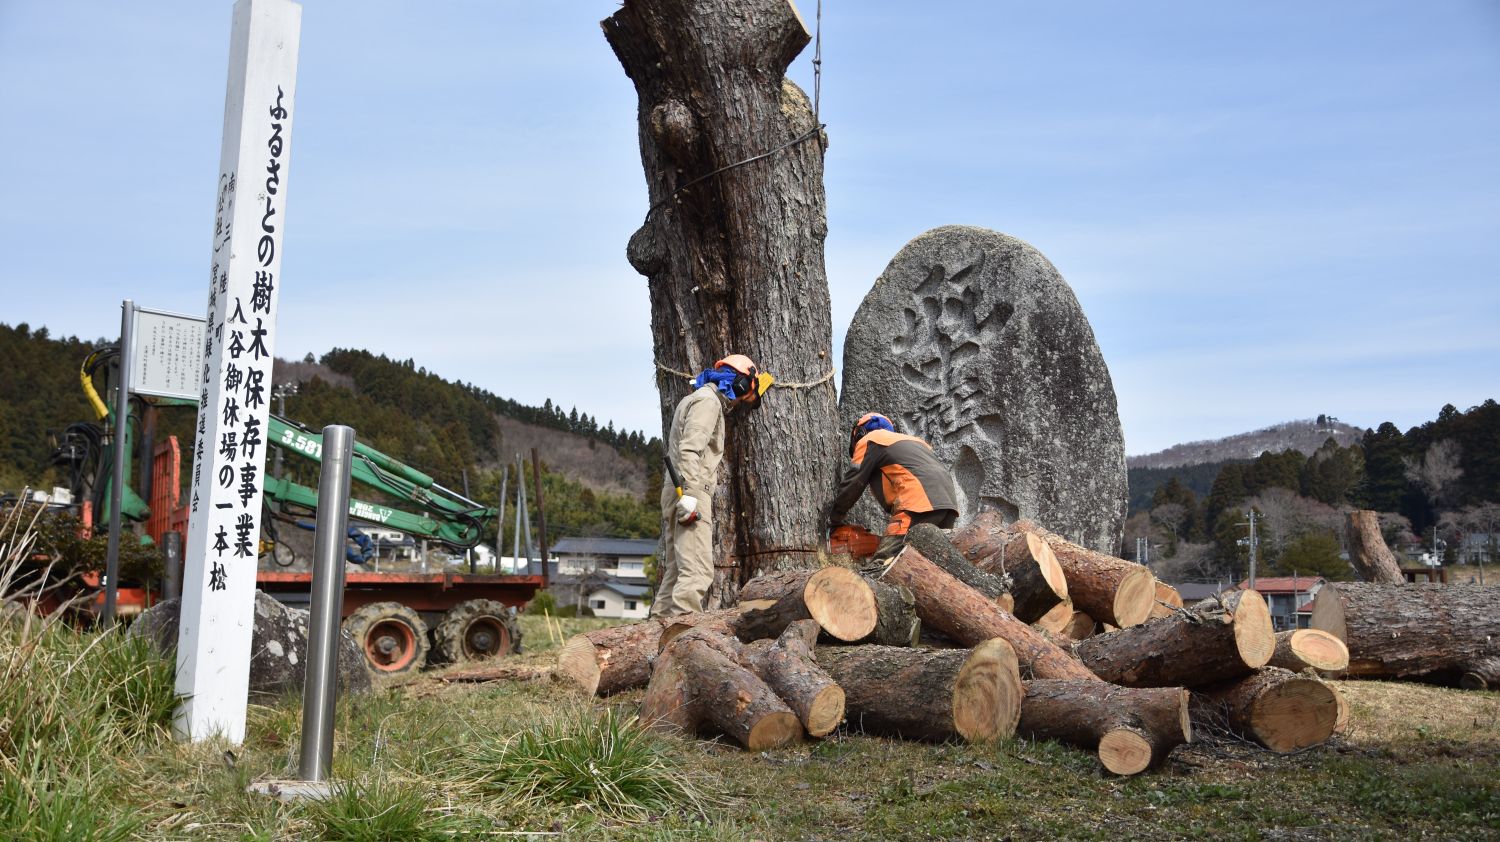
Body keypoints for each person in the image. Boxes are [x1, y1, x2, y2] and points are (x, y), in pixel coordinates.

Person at [650, 354, 774, 617]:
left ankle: (655, 635)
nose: (739, 401)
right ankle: (682, 637)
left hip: (678, 488)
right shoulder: (708, 403)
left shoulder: (695, 399)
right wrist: (690, 494)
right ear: (740, 384)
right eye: (744, 394)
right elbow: (690, 449)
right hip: (690, 490)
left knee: (675, 573)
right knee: (697, 572)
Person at [828, 412, 959, 572]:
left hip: (918, 505)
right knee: (928, 568)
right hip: (948, 506)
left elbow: (854, 482)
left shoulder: (871, 440)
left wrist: (834, 519)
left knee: (884, 566)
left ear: (860, 433)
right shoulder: (917, 442)